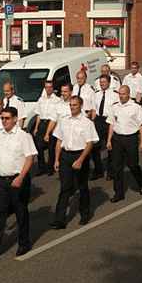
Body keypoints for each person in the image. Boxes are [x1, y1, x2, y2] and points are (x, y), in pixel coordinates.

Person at [0, 107, 38, 258]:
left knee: (21, 212)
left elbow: (29, 158)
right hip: (1, 180)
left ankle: (24, 244)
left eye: (7, 118)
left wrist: (20, 177)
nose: (4, 121)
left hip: (18, 180)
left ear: (15, 119)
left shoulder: (23, 136)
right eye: (2, 118)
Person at [50, 96, 99, 229]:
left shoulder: (87, 123)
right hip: (66, 156)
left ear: (81, 106)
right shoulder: (64, 121)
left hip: (80, 155)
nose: (72, 107)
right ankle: (59, 219)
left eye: (75, 105)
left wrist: (80, 160)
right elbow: (59, 141)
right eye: (71, 105)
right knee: (65, 188)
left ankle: (85, 214)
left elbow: (89, 144)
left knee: (82, 186)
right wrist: (56, 159)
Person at [106, 86, 142, 203]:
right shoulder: (114, 106)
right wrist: (109, 140)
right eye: (120, 93)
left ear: (129, 94)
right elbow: (111, 124)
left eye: (123, 94)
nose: (121, 96)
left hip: (131, 138)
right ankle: (118, 193)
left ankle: (141, 183)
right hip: (117, 139)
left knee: (133, 164)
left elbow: (141, 125)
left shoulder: (136, 107)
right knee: (116, 167)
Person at [91, 74, 119, 181]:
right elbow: (94, 110)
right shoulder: (96, 94)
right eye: (101, 82)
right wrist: (93, 123)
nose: (102, 84)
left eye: (104, 82)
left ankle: (111, 171)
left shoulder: (115, 95)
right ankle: (98, 170)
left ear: (109, 83)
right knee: (94, 147)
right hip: (98, 120)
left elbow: (117, 110)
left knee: (110, 147)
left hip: (109, 121)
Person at [32, 81, 60, 175]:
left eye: (50, 87)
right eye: (46, 87)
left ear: (53, 88)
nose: (48, 89)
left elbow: (56, 117)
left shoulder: (57, 100)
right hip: (42, 124)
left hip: (51, 124)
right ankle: (41, 168)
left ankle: (50, 168)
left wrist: (52, 130)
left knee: (51, 147)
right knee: (39, 147)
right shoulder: (41, 99)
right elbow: (39, 114)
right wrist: (36, 128)